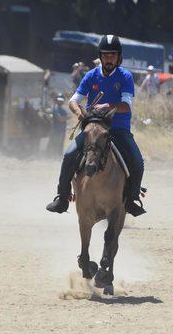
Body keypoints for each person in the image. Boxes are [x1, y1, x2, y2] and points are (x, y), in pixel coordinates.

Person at [46, 34, 146, 216]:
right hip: (93, 129)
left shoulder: (125, 77)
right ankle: (62, 198)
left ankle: (131, 200)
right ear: (100, 56)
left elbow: (125, 106)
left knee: (138, 162)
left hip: (118, 130)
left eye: (113, 55)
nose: (109, 59)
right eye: (106, 55)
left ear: (119, 57)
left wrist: (108, 105)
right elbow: (73, 100)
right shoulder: (91, 76)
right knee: (69, 155)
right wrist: (79, 112)